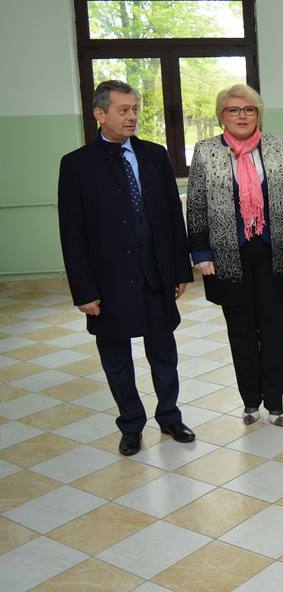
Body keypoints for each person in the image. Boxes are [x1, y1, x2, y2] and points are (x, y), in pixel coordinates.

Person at [57, 80, 196, 456]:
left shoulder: (155, 155)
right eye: (123, 110)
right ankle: (131, 425)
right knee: (117, 359)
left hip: (155, 275)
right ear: (99, 114)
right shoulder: (77, 165)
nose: (132, 116)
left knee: (164, 353)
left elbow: (172, 215)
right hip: (108, 282)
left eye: (134, 109)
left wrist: (179, 269)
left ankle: (170, 417)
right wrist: (84, 291)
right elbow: (72, 234)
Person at [187, 83, 283, 427]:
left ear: (258, 114)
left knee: (274, 329)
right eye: (234, 110)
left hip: (272, 251)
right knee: (241, 330)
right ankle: (251, 402)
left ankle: (275, 402)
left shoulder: (275, 146)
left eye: (249, 110)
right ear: (222, 116)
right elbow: (196, 204)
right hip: (227, 255)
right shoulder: (206, 151)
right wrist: (200, 252)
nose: (242, 116)